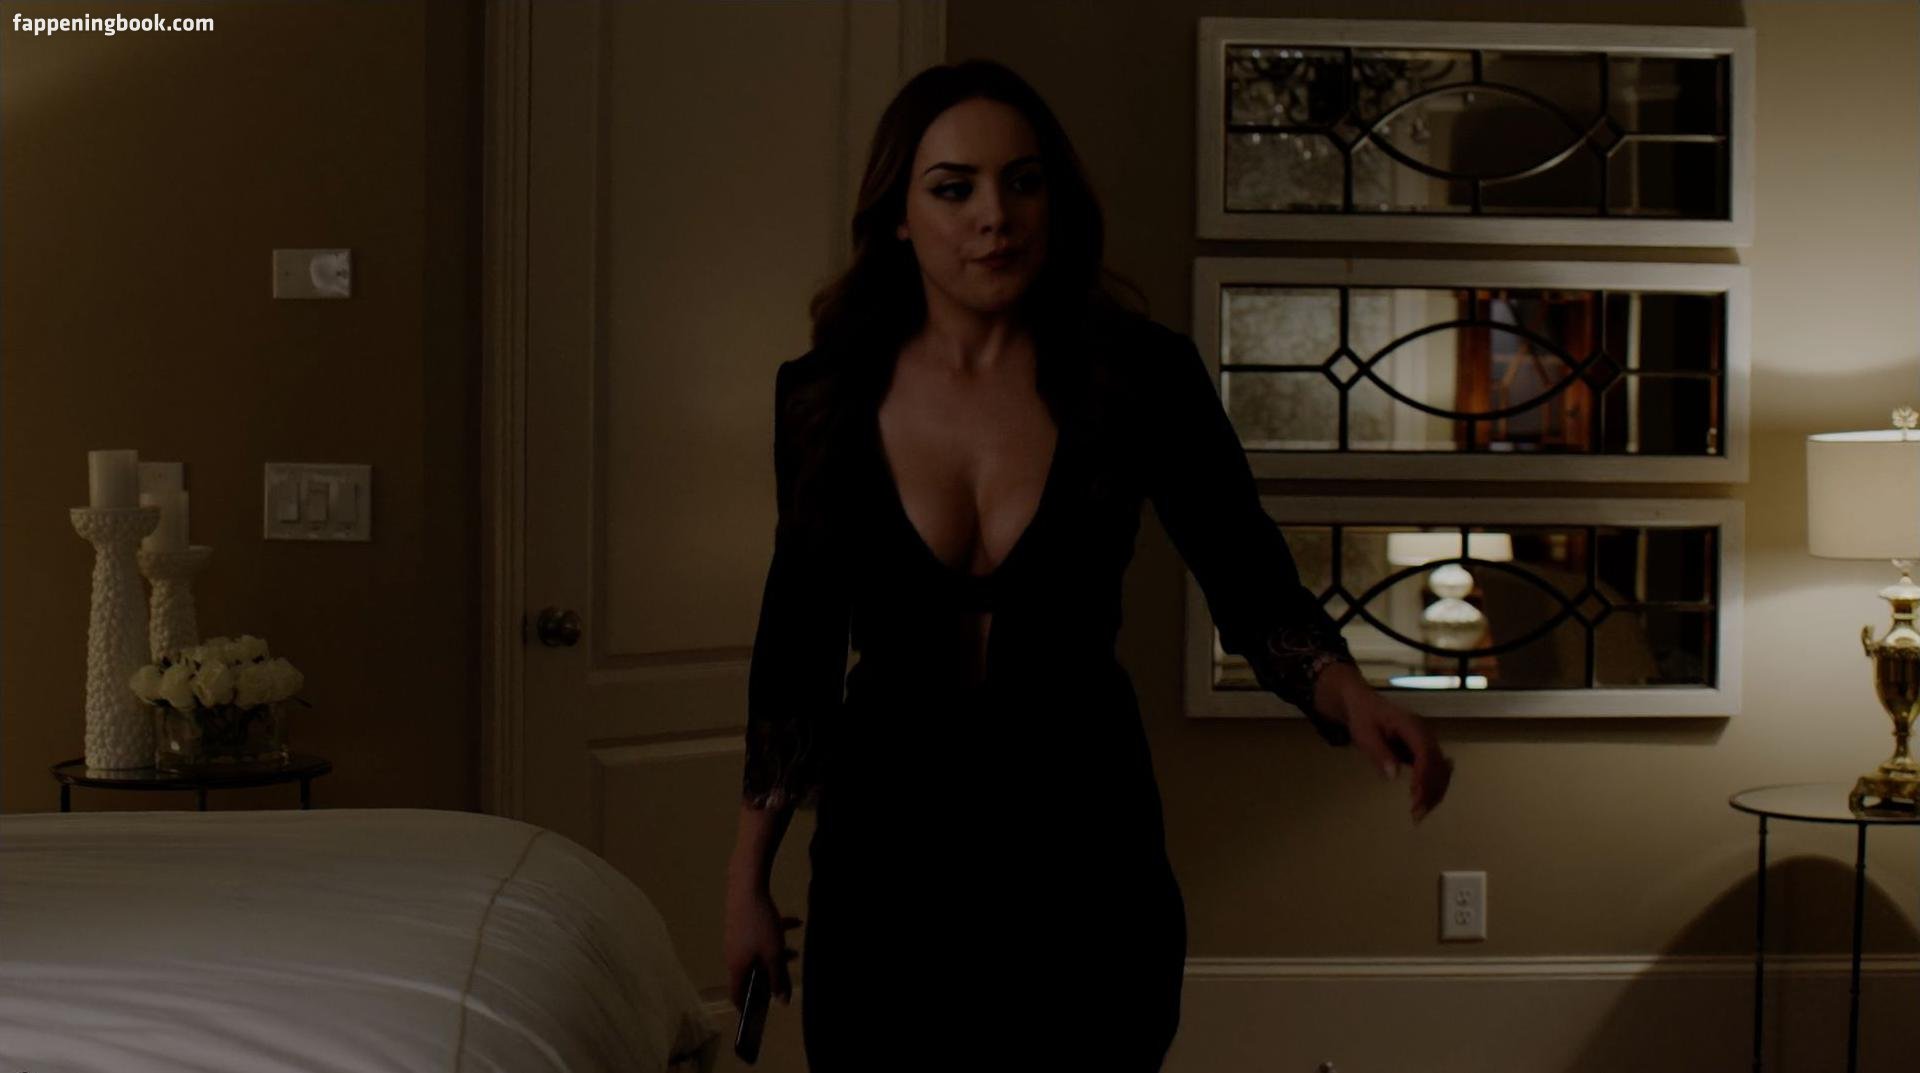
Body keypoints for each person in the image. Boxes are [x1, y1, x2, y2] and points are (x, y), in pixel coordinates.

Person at [722, 59, 1454, 1070]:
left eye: (1023, 181)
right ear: (897, 217)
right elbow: (796, 651)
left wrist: (1348, 692)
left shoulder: (1141, 375)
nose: (996, 216)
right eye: (955, 188)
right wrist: (747, 880)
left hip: (1086, 846)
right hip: (886, 854)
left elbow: (1250, 579)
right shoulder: (824, 396)